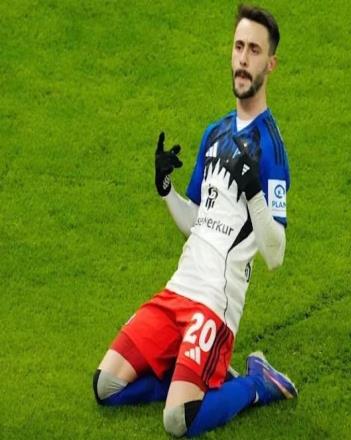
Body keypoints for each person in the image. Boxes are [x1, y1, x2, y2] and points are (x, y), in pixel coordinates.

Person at [93, 4, 296, 437]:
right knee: (105, 386)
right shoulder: (214, 133)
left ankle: (257, 382)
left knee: (177, 421)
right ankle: (185, 377)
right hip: (178, 291)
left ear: (270, 64)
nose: (243, 59)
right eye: (239, 47)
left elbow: (276, 254)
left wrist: (254, 192)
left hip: (214, 305)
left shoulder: (272, 149)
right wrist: (166, 189)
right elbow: (198, 223)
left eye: (254, 50)